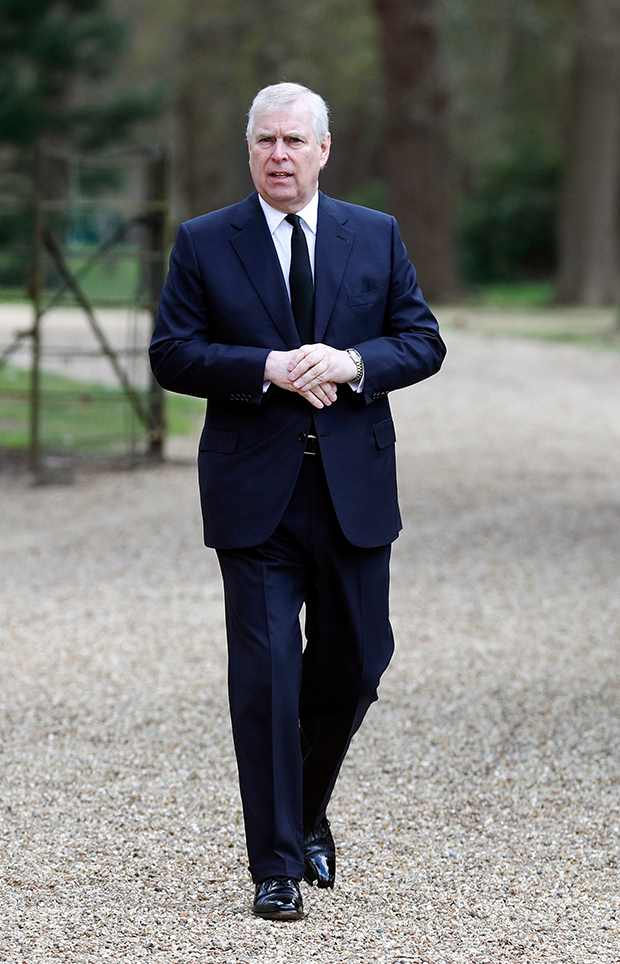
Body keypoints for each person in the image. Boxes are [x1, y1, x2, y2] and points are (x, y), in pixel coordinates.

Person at [150, 82, 446, 921]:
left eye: (293, 140)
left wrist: (353, 363)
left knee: (358, 666)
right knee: (268, 676)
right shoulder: (204, 241)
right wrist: (265, 367)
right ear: (249, 150)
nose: (278, 154)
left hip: (354, 489)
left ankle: (307, 808)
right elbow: (172, 353)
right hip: (254, 495)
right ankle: (275, 864)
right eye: (264, 141)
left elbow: (422, 340)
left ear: (323, 149)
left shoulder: (375, 234)